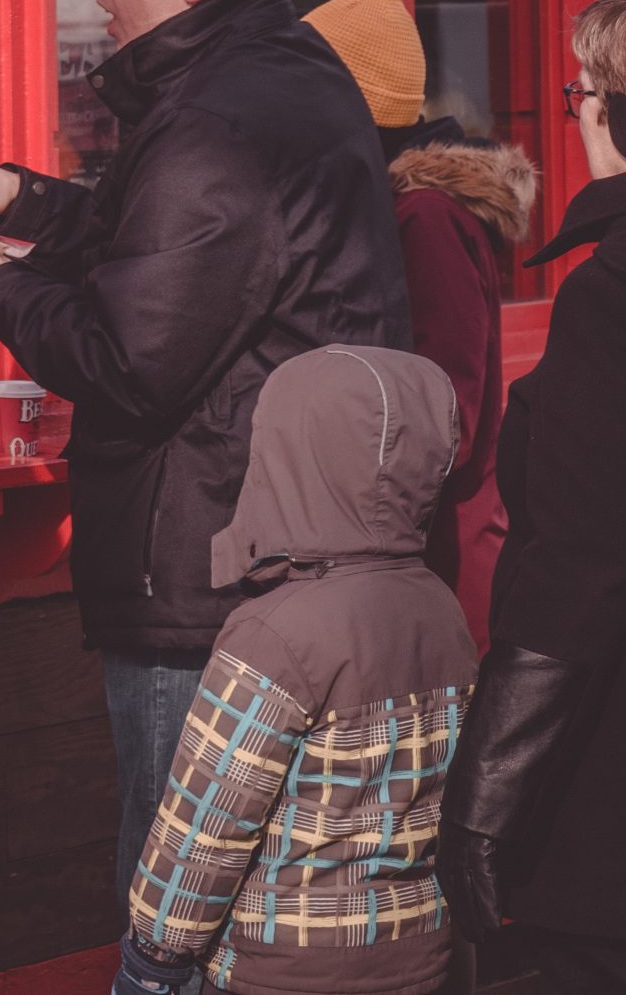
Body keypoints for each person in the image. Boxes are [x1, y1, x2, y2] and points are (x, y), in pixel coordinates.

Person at [0, 0, 411, 914]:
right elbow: (147, 243)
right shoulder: (266, 75)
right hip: (275, 547)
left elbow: (126, 357)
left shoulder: (215, 122)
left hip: (205, 576)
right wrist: (11, 196)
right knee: (260, 899)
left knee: (176, 910)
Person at [113, 346, 475, 995]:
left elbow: (207, 819)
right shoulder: (442, 606)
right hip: (421, 952)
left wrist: (156, 953)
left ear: (286, 459)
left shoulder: (273, 632)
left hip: (284, 968)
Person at [440, 0, 626, 994]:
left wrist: (484, 794)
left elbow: (578, 569)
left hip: (603, 794)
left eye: (582, 93)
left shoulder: (610, 297)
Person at [304, 0, 538, 648]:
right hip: (415, 572)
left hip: (439, 581)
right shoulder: (393, 207)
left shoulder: (426, 218)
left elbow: (445, 417)